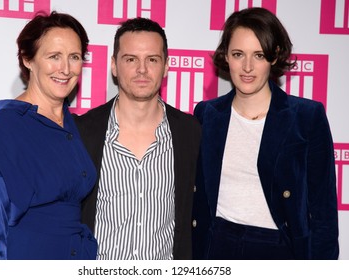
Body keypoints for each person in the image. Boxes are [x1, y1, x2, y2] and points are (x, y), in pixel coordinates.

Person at [192, 7, 339, 260]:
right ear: (226, 56)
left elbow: (323, 210)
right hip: (217, 246)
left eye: (259, 55)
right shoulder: (207, 114)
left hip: (279, 250)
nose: (247, 67)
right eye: (238, 54)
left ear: (274, 56)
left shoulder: (306, 117)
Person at [0, 11, 97, 260]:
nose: (66, 69)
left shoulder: (73, 126)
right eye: (54, 57)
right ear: (28, 59)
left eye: (74, 57)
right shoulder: (5, 130)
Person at [74, 17, 201, 260]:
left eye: (152, 59)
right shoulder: (82, 132)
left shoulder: (190, 133)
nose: (142, 69)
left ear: (165, 66)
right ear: (114, 65)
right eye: (131, 59)